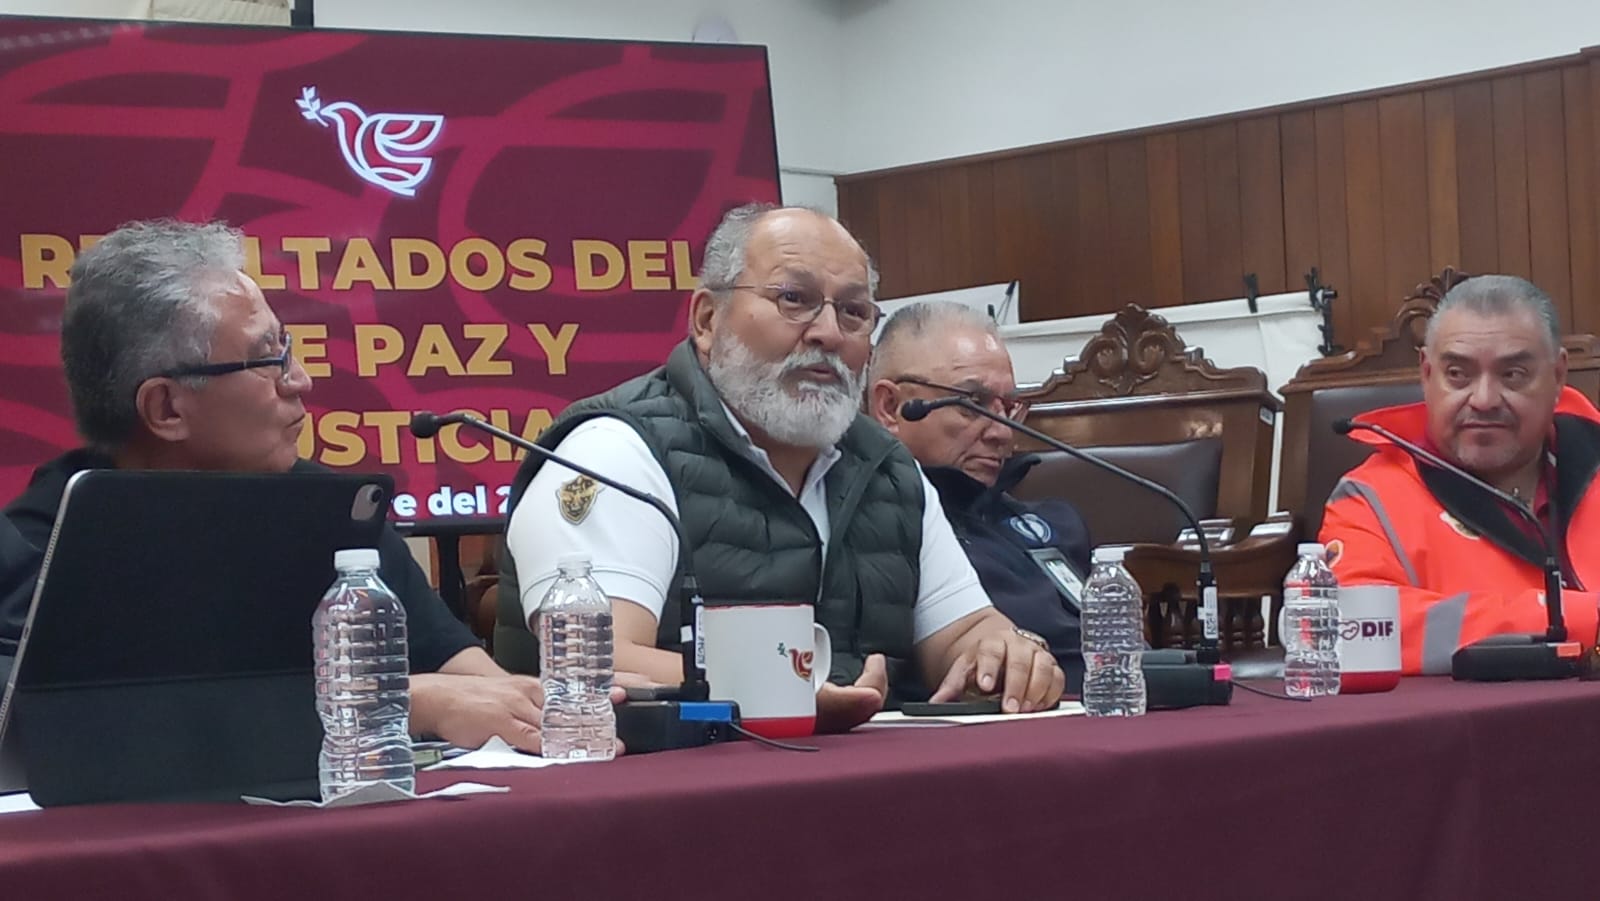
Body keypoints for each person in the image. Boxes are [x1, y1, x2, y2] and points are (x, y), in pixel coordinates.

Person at [0, 219, 574, 753]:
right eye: (265, 359)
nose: (301, 379)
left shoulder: (329, 511)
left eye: (287, 347)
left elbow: (472, 681)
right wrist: (409, 703)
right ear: (166, 408)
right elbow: (90, 732)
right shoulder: (37, 554)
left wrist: (541, 705)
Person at [501, 203, 1065, 729]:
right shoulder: (614, 450)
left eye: (853, 312)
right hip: (655, 780)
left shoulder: (886, 466)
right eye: (794, 299)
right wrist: (784, 688)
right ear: (707, 319)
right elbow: (594, 659)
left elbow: (965, 631)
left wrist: (1004, 656)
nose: (828, 333)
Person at [1320, 275, 1600, 674]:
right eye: (1457, 374)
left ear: (1557, 376)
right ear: (1426, 374)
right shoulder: (1370, 500)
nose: (1483, 400)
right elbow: (1352, 629)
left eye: (1513, 375)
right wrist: (1586, 621)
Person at [865, 300, 1093, 689]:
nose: (1001, 432)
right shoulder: (875, 531)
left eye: (1009, 408)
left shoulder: (1053, 523)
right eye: (972, 404)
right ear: (891, 408)